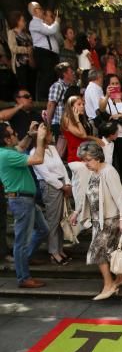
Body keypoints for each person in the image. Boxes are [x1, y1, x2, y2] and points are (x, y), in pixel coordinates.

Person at [70, 141, 122, 300]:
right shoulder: (92, 172)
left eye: (88, 159)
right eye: (83, 159)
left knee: (97, 252)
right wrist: (77, 212)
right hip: (98, 220)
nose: (85, 163)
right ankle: (121, 277)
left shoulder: (109, 171)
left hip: (111, 219)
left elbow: (119, 196)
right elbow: (87, 195)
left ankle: (109, 285)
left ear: (98, 157)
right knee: (109, 251)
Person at [0, 121, 49, 288]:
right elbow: (38, 158)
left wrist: (29, 135)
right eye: (13, 134)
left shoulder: (7, 151)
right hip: (21, 201)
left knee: (43, 230)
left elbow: (20, 148)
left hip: (25, 199)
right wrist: (40, 139)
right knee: (21, 242)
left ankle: (26, 258)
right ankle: (23, 277)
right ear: (6, 140)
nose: (16, 135)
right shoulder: (6, 155)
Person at [31, 127, 73, 265]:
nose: (51, 135)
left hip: (62, 183)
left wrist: (67, 183)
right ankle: (53, 252)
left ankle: (60, 249)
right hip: (50, 186)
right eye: (48, 133)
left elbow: (62, 166)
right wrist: (62, 186)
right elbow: (46, 175)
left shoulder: (53, 148)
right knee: (53, 220)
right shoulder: (34, 152)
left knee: (62, 219)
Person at [98, 75, 122, 193]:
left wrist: (119, 115)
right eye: (112, 84)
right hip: (109, 137)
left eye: (116, 83)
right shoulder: (104, 99)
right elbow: (102, 108)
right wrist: (107, 95)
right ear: (108, 85)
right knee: (108, 161)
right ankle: (108, 185)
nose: (115, 86)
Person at [28, 1, 60, 100]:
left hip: (51, 54)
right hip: (43, 53)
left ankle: (52, 98)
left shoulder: (42, 23)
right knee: (46, 77)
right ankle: (43, 99)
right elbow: (51, 30)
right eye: (40, 8)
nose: (42, 10)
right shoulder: (34, 23)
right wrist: (56, 22)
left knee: (53, 77)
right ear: (35, 11)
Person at [61, 95, 101, 163]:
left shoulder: (80, 118)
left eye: (83, 104)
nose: (82, 106)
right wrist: (77, 119)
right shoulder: (67, 118)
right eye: (79, 104)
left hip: (84, 155)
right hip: (75, 157)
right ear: (71, 107)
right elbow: (83, 135)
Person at [46, 61, 75, 140]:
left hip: (67, 125)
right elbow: (51, 105)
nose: (73, 73)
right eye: (71, 72)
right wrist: (48, 126)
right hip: (57, 125)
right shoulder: (57, 86)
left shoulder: (69, 87)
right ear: (64, 74)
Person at [7, 11, 34, 92]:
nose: (24, 22)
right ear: (17, 21)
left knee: (31, 85)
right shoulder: (11, 33)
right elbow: (13, 48)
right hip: (20, 65)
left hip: (30, 62)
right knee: (23, 86)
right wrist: (26, 50)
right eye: (22, 20)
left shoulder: (27, 34)